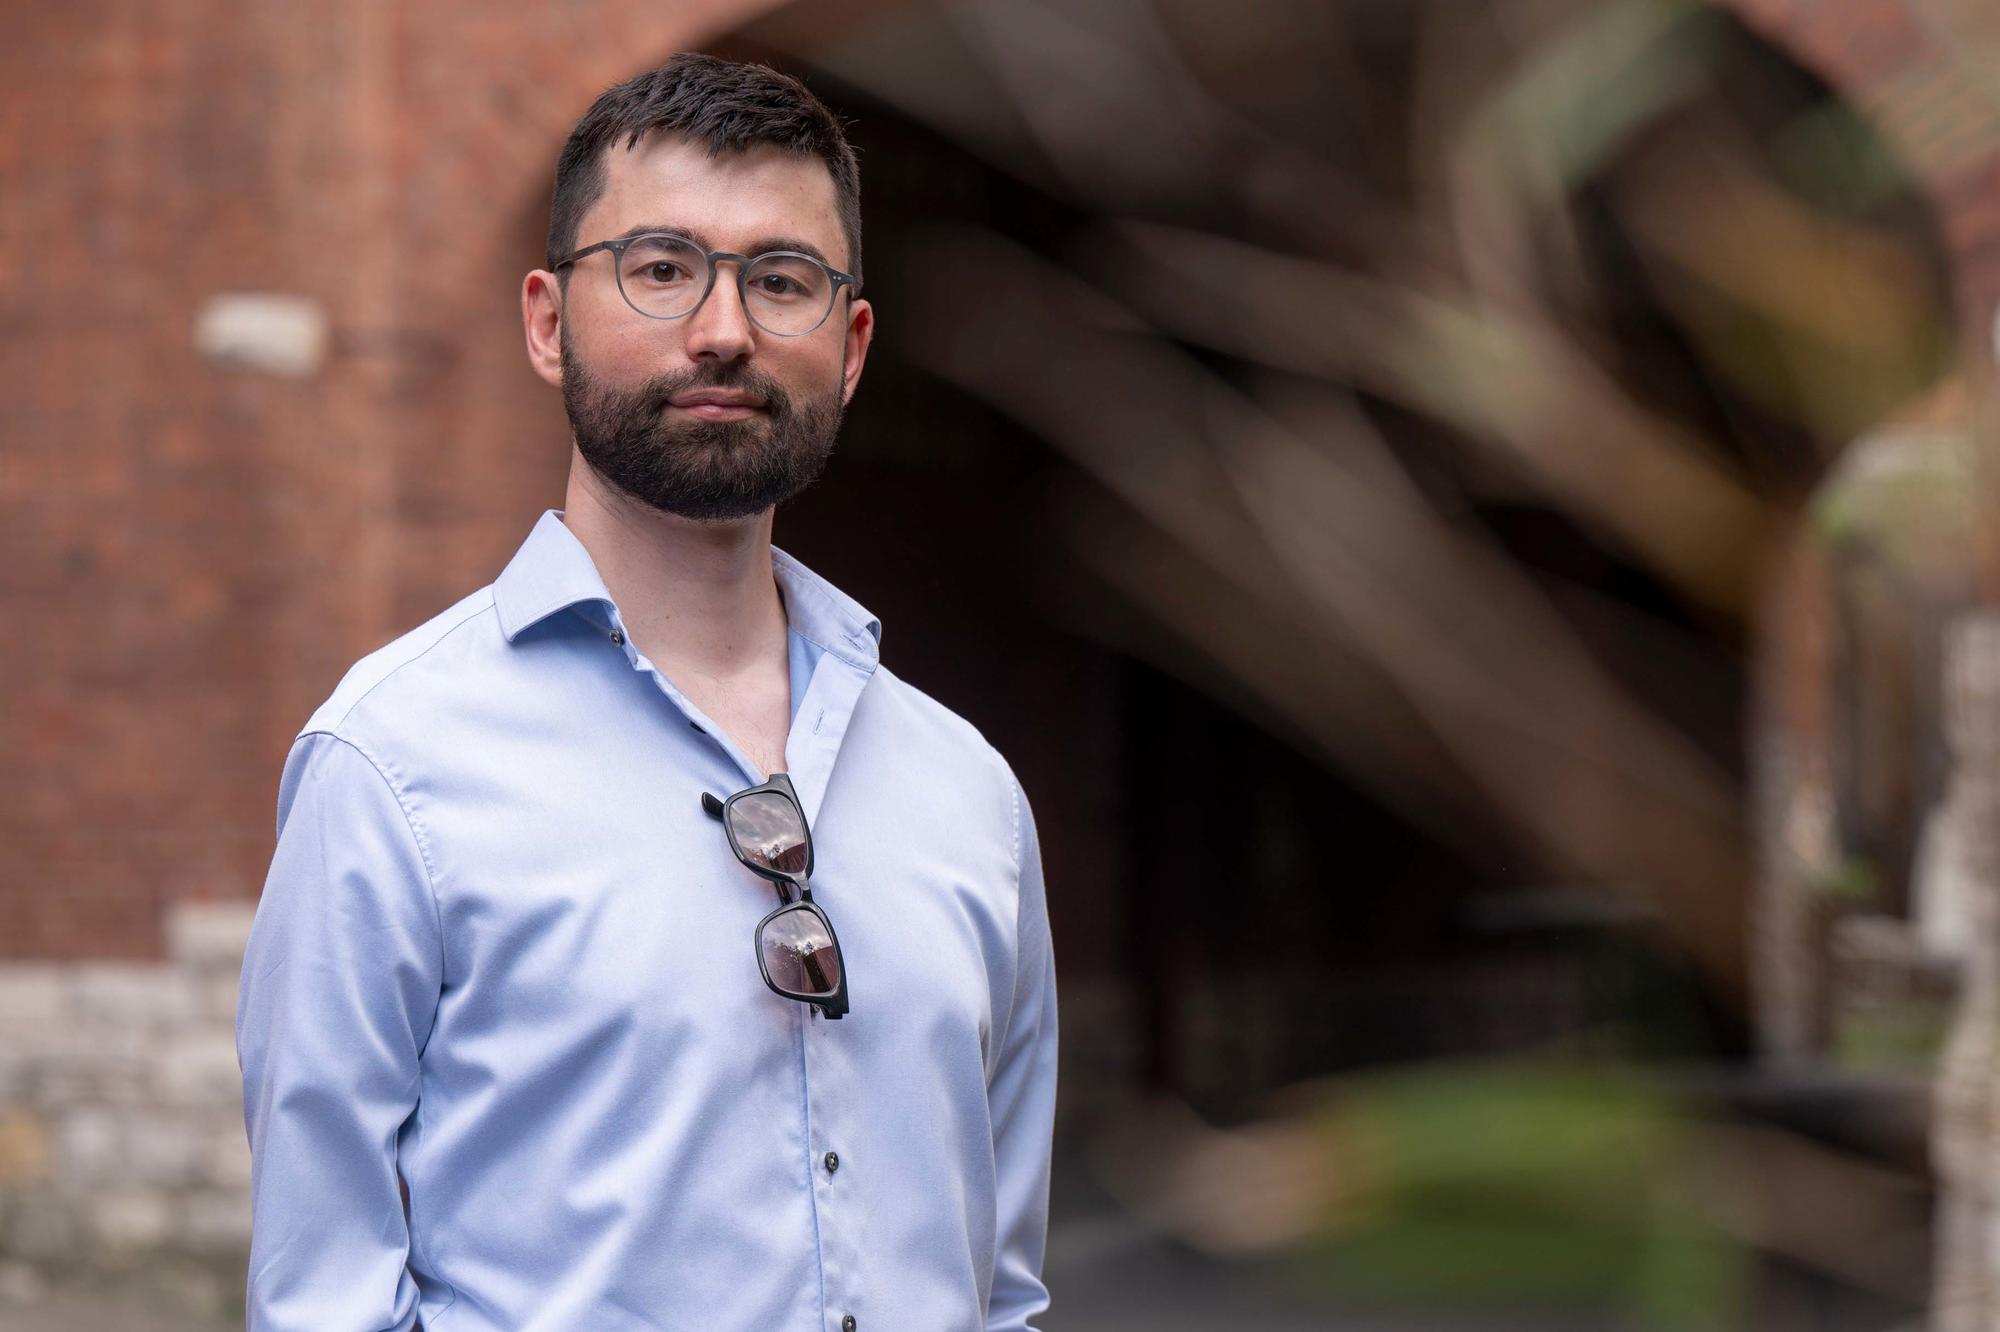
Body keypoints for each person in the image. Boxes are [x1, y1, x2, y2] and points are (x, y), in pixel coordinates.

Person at [235, 53, 1058, 1332]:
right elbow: (324, 1299)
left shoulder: (971, 797)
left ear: (847, 349)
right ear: (547, 321)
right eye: (661, 266)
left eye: (780, 280)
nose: (723, 329)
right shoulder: (391, 765)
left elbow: (999, 1291)